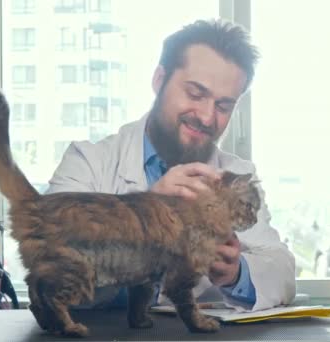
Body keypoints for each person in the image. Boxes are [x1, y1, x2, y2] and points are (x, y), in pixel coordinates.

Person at [46, 18, 296, 311]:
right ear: (158, 80)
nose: (206, 116)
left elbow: (281, 268)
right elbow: (52, 264)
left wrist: (236, 273)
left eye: (223, 105)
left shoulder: (236, 177)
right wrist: (146, 214)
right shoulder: (87, 163)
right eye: (195, 94)